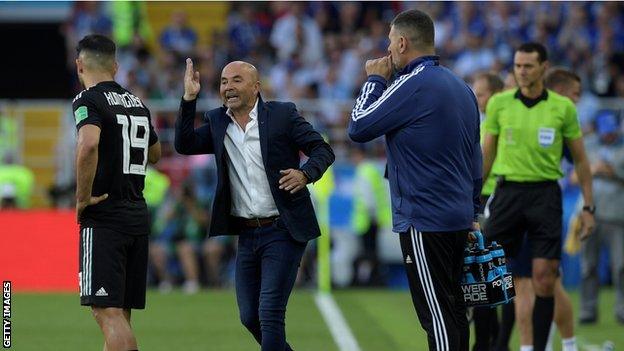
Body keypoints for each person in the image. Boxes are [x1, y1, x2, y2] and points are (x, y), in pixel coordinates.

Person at [175, 59, 334, 351]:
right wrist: (188, 99)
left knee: (270, 314)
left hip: (283, 229)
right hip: (247, 234)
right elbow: (184, 144)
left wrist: (305, 173)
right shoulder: (217, 121)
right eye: (223, 81)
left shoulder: (282, 115)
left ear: (256, 87)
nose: (228, 87)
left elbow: (322, 149)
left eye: (237, 80)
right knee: (249, 317)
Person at [349, 9, 482, 351]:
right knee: (454, 311)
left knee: (436, 315)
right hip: (459, 218)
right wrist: (473, 212)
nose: (387, 51)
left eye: (390, 42)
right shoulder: (462, 87)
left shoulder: (412, 83)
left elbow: (359, 126)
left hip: (425, 219)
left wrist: (374, 81)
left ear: (403, 42)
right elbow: (475, 158)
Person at [482, 43, 595, 351]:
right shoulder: (500, 104)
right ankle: (487, 341)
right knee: (483, 270)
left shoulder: (562, 108)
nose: (521, 71)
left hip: (545, 194)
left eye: (528, 66)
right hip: (508, 193)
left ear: (544, 68)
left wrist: (588, 206)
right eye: (517, 65)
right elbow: (487, 155)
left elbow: (582, 161)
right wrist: (472, 199)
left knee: (544, 278)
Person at [73, 34, 161, 351]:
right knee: (120, 312)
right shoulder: (138, 104)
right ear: (115, 66)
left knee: (106, 312)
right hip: (137, 214)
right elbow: (155, 154)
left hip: (105, 216)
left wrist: (82, 198)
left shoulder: (87, 101)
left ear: (79, 65)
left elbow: (88, 144)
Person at [577, 109, 624, 325]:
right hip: (590, 213)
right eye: (605, 131)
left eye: (611, 131)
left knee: (621, 266)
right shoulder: (588, 145)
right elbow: (574, 174)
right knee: (588, 265)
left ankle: (622, 310)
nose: (608, 135)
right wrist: (593, 170)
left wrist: (610, 171)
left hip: (617, 215)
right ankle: (588, 310)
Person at [470, 72, 504, 351]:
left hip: (493, 201)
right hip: (478, 200)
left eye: (481, 94)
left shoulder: (500, 124)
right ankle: (493, 340)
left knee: (486, 274)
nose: (476, 98)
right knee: (484, 275)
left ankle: (488, 343)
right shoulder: (477, 121)